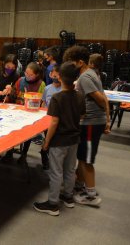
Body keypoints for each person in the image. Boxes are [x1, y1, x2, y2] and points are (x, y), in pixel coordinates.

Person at [33, 61, 86, 216]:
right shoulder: (80, 96)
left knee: (56, 172)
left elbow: (54, 122)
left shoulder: (57, 98)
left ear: (60, 77)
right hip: (74, 139)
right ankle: (68, 197)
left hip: (59, 140)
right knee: (70, 169)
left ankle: (53, 203)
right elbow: (82, 115)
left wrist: (46, 142)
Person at [63, 46, 110, 206]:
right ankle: (79, 185)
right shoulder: (90, 74)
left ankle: (91, 195)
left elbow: (102, 100)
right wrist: (107, 120)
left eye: (72, 63)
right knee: (82, 157)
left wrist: (103, 119)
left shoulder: (84, 77)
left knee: (86, 160)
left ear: (80, 62)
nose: (70, 66)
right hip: (91, 121)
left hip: (91, 122)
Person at [2, 62, 46, 163]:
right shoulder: (20, 80)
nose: (27, 76)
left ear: (37, 75)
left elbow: (42, 102)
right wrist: (9, 92)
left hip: (32, 114)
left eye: (31, 75)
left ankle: (24, 154)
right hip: (17, 112)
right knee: (11, 132)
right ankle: (9, 152)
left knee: (28, 133)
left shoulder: (41, 84)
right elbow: (12, 95)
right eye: (26, 73)